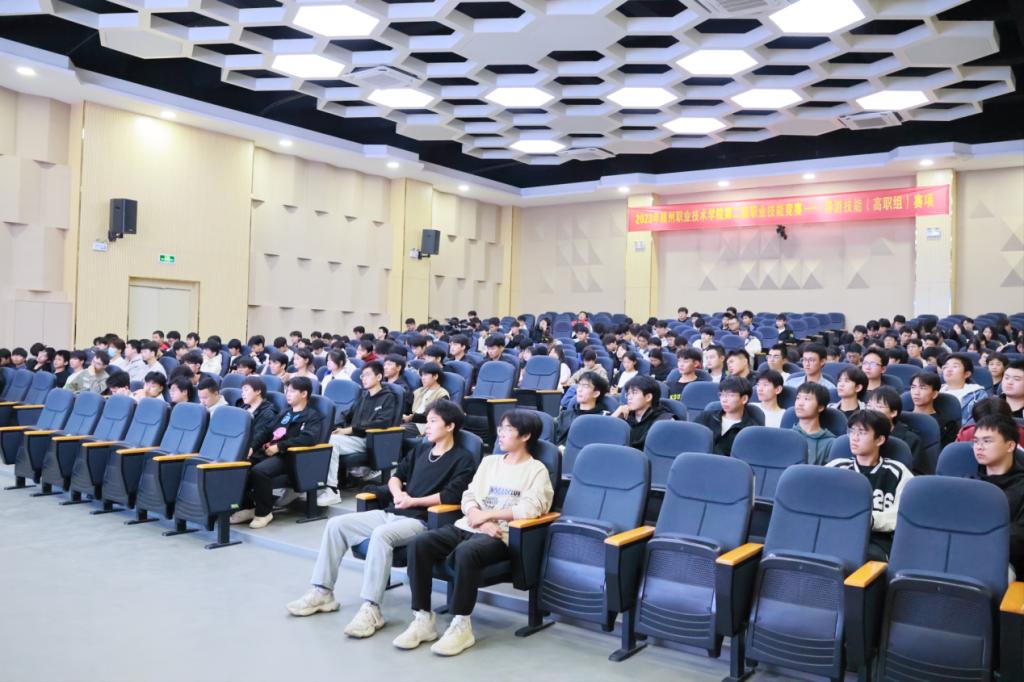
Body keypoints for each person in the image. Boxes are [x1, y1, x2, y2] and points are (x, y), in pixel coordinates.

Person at [287, 399, 477, 637]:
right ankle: (323, 591)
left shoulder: (463, 459)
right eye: (427, 421)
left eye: (432, 422)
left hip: (422, 521)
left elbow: (451, 496)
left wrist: (412, 501)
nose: (427, 427)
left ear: (450, 426)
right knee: (337, 525)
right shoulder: (421, 450)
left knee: (380, 535)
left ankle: (371, 608)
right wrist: (398, 494)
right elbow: (396, 477)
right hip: (393, 511)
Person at [395, 409, 554, 656]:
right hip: (468, 525)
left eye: (508, 429)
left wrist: (488, 517)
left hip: (502, 536)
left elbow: (531, 508)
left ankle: (461, 624)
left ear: (525, 436)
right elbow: (468, 496)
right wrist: (477, 517)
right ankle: (423, 617)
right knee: (420, 543)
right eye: (500, 428)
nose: (500, 434)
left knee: (467, 552)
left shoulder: (537, 470)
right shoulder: (489, 462)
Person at [827, 410, 912, 561]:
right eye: (852, 431)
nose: (854, 438)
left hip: (875, 542)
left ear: (879, 440)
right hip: (836, 535)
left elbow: (902, 514)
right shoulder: (836, 467)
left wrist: (865, 519)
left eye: (861, 433)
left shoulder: (898, 471)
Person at [242, 377, 325, 529]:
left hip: (290, 457)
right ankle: (248, 507)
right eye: (287, 391)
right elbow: (267, 431)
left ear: (304, 393)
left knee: (259, 471)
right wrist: (252, 447)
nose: (287, 394)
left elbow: (307, 439)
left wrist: (280, 447)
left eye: (292, 391)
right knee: (241, 466)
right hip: (270, 452)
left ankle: (264, 513)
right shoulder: (285, 412)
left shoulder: (312, 416)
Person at [324, 361, 401, 505]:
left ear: (379, 377)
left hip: (371, 440)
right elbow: (347, 414)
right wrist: (334, 427)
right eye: (362, 376)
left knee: (331, 443)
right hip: (354, 438)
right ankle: (318, 486)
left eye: (367, 375)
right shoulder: (364, 396)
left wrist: (351, 430)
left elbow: (382, 423)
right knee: (324, 438)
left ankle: (332, 490)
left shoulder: (388, 397)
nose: (363, 379)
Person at [973, 414, 1024, 578]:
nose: (979, 447)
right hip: (962, 553)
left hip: (1006, 563)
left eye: (987, 441)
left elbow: (1019, 539)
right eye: (976, 441)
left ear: (1010, 446)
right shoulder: (968, 484)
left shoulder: (1021, 487)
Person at [696, 376, 760, 456]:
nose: (724, 400)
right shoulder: (706, 417)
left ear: (744, 399)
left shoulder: (750, 430)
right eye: (722, 395)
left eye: (730, 395)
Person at [865, 386, 923, 473]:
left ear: (893, 412)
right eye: (869, 405)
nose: (871, 410)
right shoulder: (860, 436)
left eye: (879, 406)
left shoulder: (911, 440)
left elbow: (916, 474)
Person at [610, 375, 673, 450]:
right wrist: (615, 417)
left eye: (634, 393)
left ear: (648, 397)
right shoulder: (625, 415)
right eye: (628, 393)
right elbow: (605, 438)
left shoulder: (664, 420)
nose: (629, 397)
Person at [554, 371, 609, 448]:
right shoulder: (565, 414)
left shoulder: (602, 418)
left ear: (596, 393)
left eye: (585, 386)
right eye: (579, 385)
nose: (579, 389)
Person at [909, 372, 960, 447]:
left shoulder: (947, 424)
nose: (916, 392)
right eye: (913, 387)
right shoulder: (902, 417)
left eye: (922, 388)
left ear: (934, 394)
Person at [792, 382, 836, 465]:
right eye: (798, 398)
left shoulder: (830, 443)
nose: (800, 403)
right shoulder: (787, 436)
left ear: (820, 407)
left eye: (806, 399)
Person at [402, 362, 449, 437]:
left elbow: (433, 417)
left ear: (435, 376)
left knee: (396, 432)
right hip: (410, 422)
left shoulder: (442, 394)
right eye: (421, 375)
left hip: (425, 426)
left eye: (425, 375)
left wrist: (410, 418)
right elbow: (407, 409)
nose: (422, 378)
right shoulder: (418, 391)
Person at [940, 353, 988, 424]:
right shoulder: (936, 393)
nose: (949, 369)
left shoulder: (977, 394)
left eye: (955, 366)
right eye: (946, 367)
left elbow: (979, 421)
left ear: (966, 374)